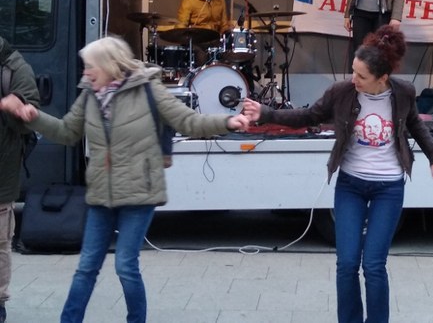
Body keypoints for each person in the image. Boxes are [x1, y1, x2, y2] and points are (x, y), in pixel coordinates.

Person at [1, 36, 249, 323]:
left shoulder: (148, 90)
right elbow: (67, 132)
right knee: (86, 268)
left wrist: (226, 122)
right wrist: (31, 116)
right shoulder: (90, 95)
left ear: (108, 66)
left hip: (139, 194)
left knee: (125, 266)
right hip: (101, 195)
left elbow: (187, 121)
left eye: (90, 67)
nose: (85, 73)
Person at [242, 25, 433, 323]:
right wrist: (266, 113)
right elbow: (308, 116)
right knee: (347, 263)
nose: (354, 79)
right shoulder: (342, 93)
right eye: (353, 71)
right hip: (350, 185)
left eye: (362, 76)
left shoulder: (403, 92)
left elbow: (415, 124)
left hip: (388, 188)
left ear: (383, 78)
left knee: (374, 265)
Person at [0, 35, 39, 323]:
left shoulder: (15, 68)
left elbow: (29, 113)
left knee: (0, 243)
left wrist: (17, 106)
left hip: (1, 173)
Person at [173, 0, 235, 67]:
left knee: (232, 54)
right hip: (197, 43)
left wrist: (229, 28)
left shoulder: (220, 0)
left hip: (215, 42)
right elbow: (181, 27)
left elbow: (223, 25)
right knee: (201, 55)